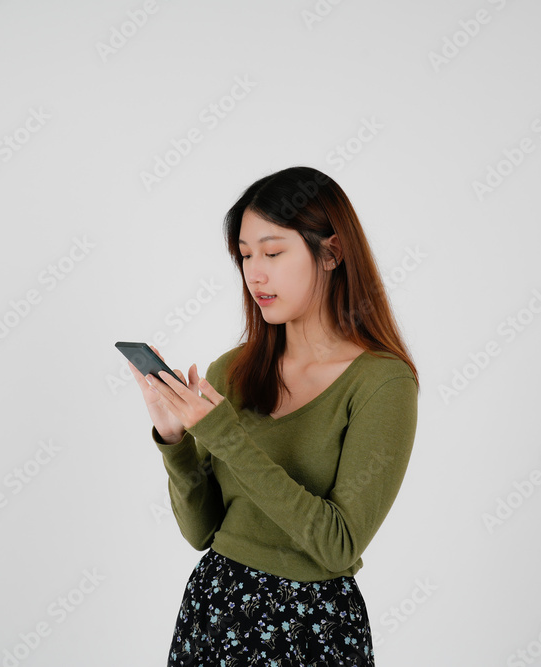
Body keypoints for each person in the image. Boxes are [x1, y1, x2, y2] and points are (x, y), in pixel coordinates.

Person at [127, 165, 419, 665]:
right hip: (215, 611)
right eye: (244, 256)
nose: (254, 273)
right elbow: (202, 532)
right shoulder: (233, 371)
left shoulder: (383, 383)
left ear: (331, 252)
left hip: (311, 628)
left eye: (273, 252)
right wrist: (174, 441)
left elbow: (338, 545)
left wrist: (224, 434)